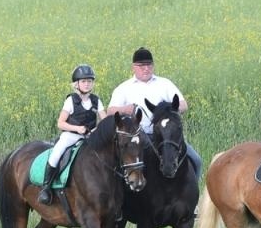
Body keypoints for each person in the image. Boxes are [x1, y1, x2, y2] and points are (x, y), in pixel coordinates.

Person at [107, 46, 202, 175]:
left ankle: (193, 192)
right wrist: (125, 109)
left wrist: (166, 109)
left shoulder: (165, 84)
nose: (146, 69)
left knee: (196, 160)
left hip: (165, 135)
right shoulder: (123, 88)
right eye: (142, 66)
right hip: (138, 136)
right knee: (116, 165)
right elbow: (110, 111)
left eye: (149, 65)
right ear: (133, 67)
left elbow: (184, 105)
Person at [39, 65, 102, 204]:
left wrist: (97, 130)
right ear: (77, 84)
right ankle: (46, 187)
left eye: (90, 81)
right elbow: (60, 123)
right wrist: (77, 128)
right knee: (56, 153)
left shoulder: (96, 100)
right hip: (71, 136)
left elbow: (105, 120)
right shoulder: (71, 101)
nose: (87, 84)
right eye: (84, 81)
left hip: (90, 137)